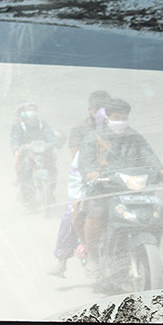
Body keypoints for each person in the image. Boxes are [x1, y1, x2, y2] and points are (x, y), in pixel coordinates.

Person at [78, 98, 163, 273]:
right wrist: (91, 173)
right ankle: (92, 257)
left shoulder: (135, 137)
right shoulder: (94, 138)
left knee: (154, 214)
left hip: (134, 189)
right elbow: (84, 162)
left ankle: (151, 256)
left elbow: (149, 156)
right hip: (103, 189)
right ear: (107, 118)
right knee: (96, 214)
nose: (120, 121)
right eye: (116, 117)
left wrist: (162, 170)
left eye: (124, 117)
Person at [49, 90, 111, 277]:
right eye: (98, 108)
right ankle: (62, 261)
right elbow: (77, 156)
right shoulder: (79, 129)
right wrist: (92, 172)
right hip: (84, 178)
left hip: (112, 177)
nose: (101, 112)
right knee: (72, 212)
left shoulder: (114, 128)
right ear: (90, 109)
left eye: (105, 108)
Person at [10, 102, 60, 207]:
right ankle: (27, 199)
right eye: (29, 111)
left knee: (52, 168)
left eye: (33, 110)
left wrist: (53, 142)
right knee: (25, 170)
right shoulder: (20, 126)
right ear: (25, 114)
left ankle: (49, 193)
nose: (32, 112)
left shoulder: (43, 124)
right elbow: (15, 139)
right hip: (27, 152)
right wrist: (17, 146)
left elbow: (51, 136)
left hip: (43, 151)